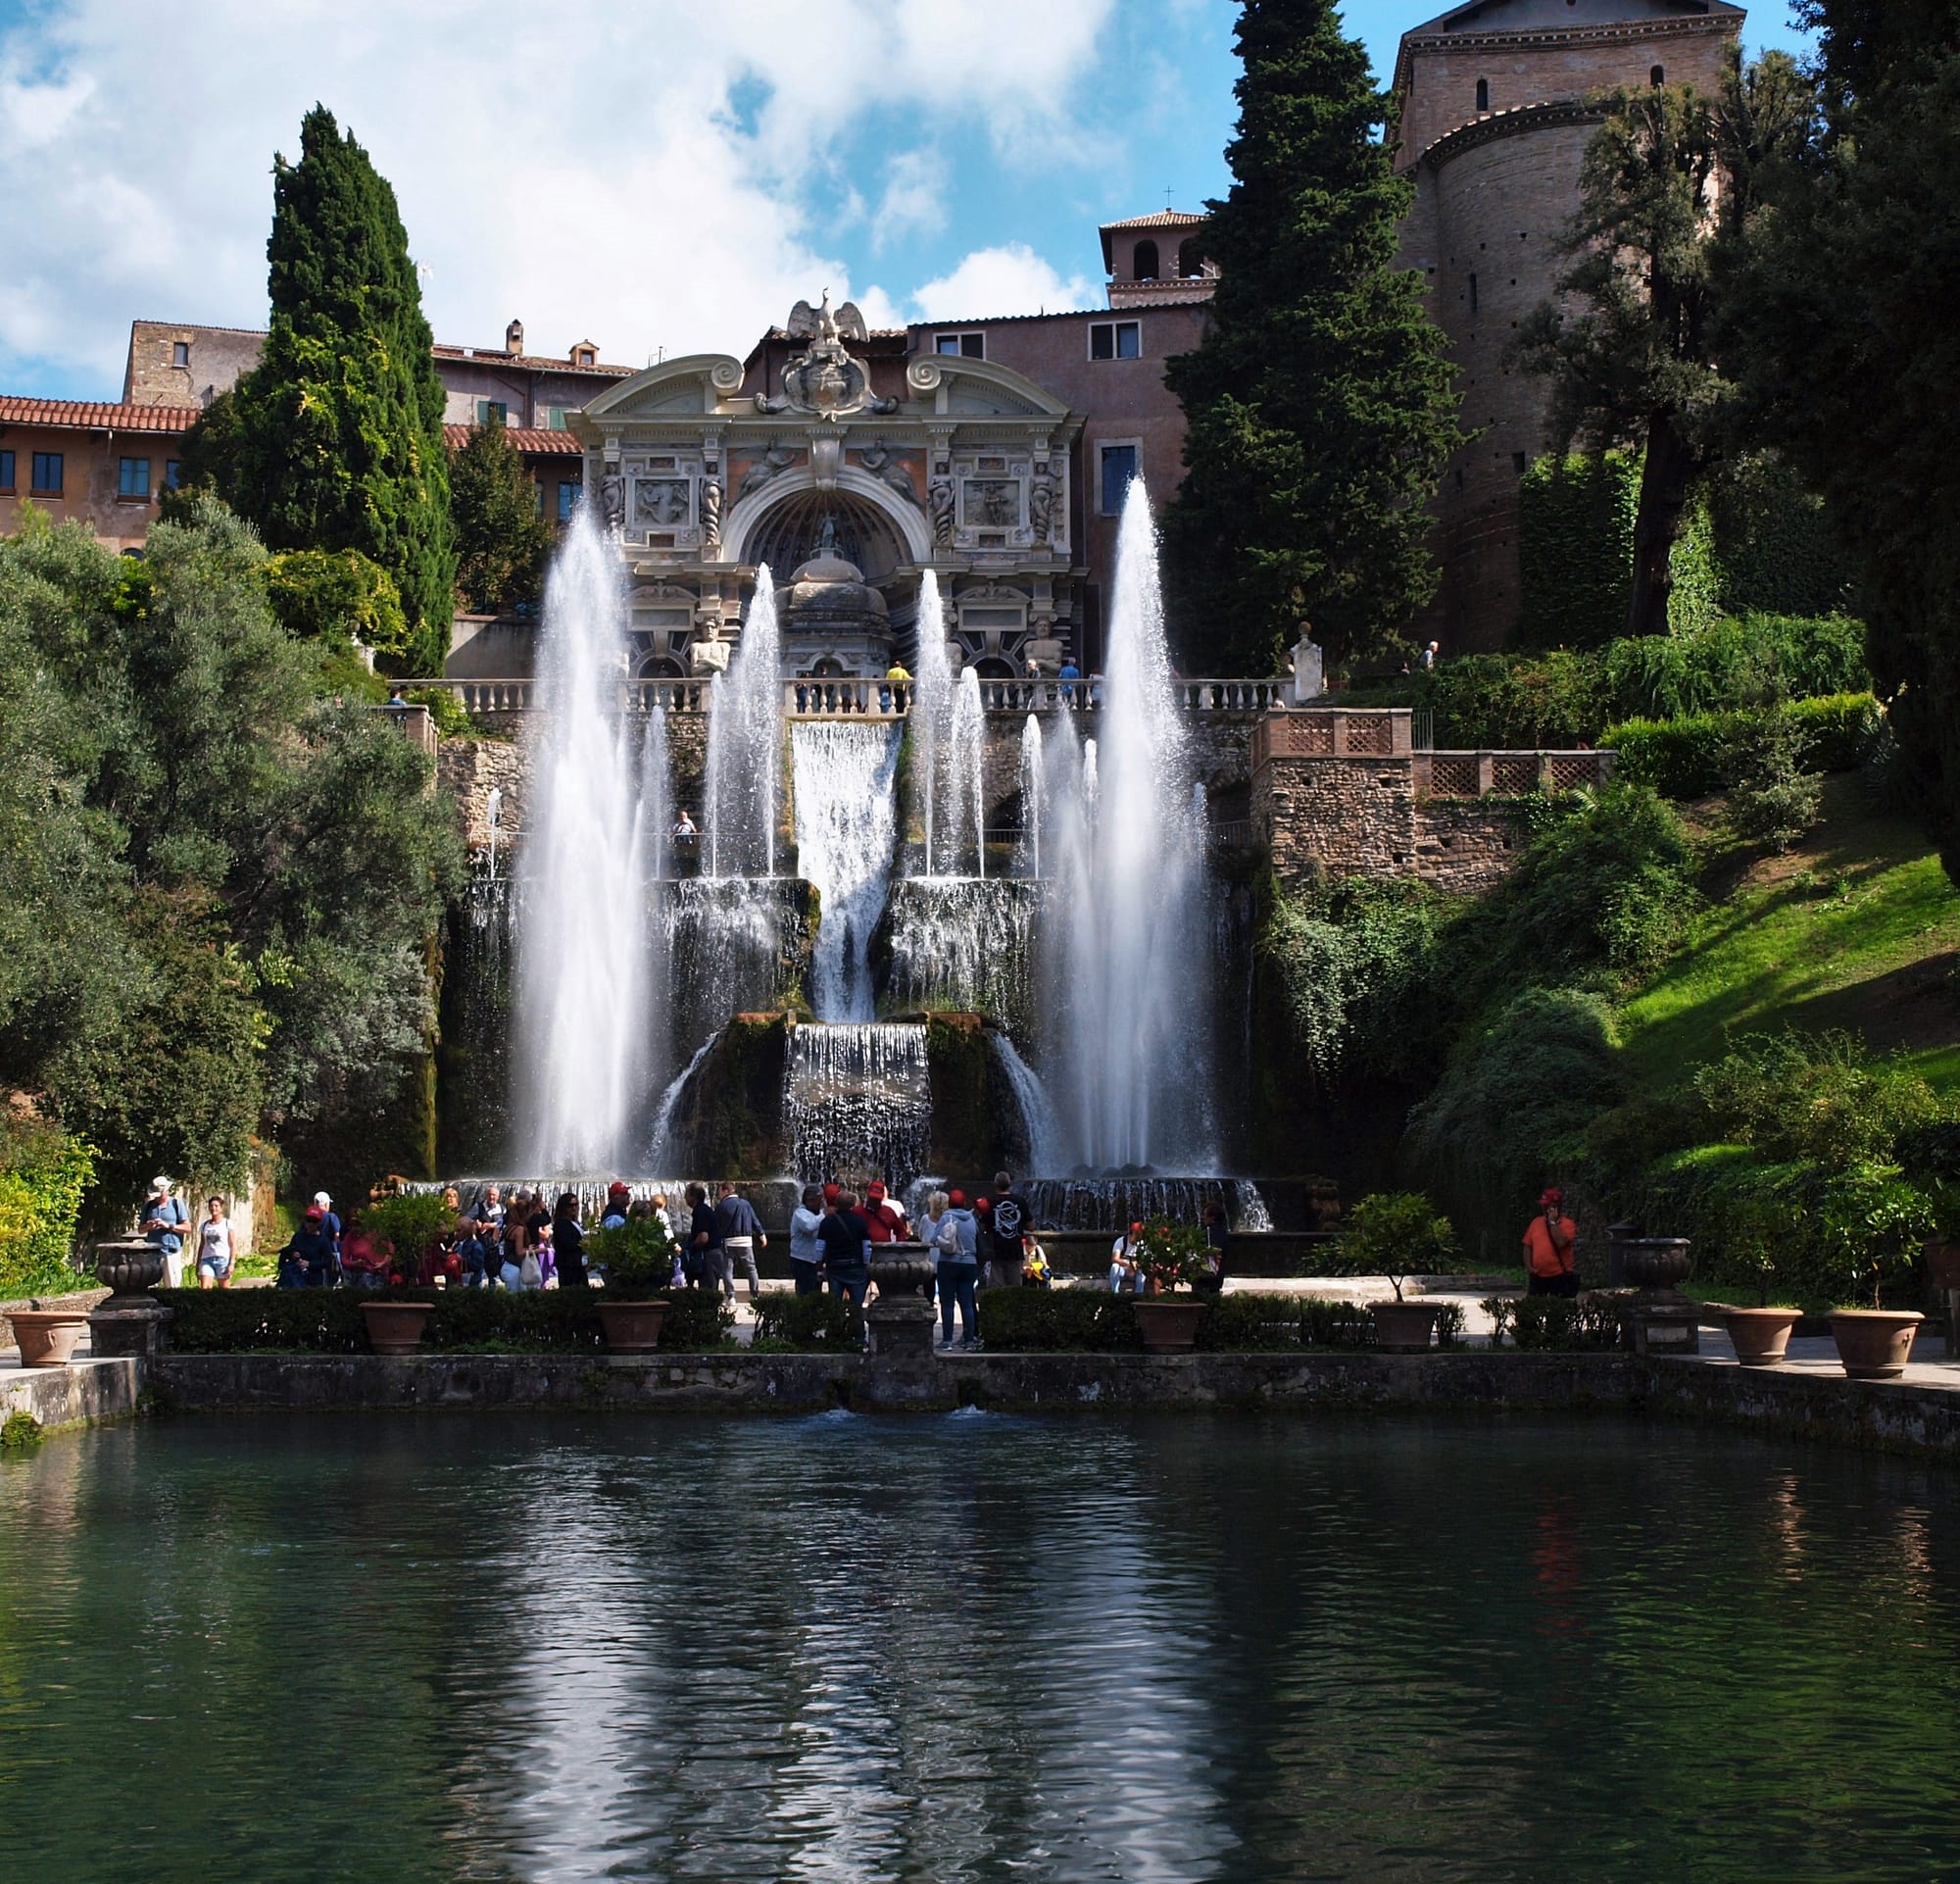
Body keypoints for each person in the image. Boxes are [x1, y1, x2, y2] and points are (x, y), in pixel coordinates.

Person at [933, 1188, 978, 1349]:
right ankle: (969, 1340)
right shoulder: (972, 1219)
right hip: (969, 1264)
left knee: (947, 1303)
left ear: (949, 1203)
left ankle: (947, 1341)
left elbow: (934, 1239)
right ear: (964, 1203)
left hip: (948, 1263)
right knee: (966, 1303)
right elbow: (977, 1239)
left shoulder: (946, 1217)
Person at [817, 1188, 871, 1309]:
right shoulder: (860, 1222)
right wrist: (867, 1264)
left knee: (834, 1306)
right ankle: (856, 1325)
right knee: (857, 1306)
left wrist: (819, 1267)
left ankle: (836, 1326)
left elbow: (820, 1247)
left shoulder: (827, 1221)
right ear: (853, 1204)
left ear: (836, 1203)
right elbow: (867, 1247)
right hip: (856, 1267)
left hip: (835, 1267)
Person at [715, 1180, 766, 1302]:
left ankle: (731, 1296)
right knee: (751, 1268)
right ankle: (755, 1295)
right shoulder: (746, 1204)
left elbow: (715, 1225)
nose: (719, 1194)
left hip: (728, 1241)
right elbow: (755, 1220)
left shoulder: (721, 1206)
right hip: (746, 1240)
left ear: (726, 1191)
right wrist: (762, 1234)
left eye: (720, 1191)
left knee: (727, 1270)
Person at [1524, 1189, 1580, 1297]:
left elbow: (1561, 1242)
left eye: (1547, 1206)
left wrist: (1552, 1223)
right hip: (1538, 1276)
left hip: (1559, 1276)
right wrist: (1529, 1267)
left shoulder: (1567, 1224)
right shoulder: (1536, 1222)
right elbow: (1527, 1245)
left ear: (1555, 1207)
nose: (1544, 1209)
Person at [140, 1176, 189, 1287]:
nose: (157, 1198)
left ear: (167, 1191)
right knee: (150, 1287)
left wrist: (168, 1226)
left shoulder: (176, 1204)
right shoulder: (148, 1206)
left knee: (172, 1286)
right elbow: (140, 1230)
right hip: (152, 1252)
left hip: (171, 1252)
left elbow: (187, 1228)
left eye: (160, 1194)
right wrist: (148, 1226)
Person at [986, 1170, 1030, 1291]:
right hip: (1015, 1249)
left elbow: (983, 1225)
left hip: (996, 1249)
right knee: (1015, 1288)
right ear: (1010, 1184)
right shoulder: (1020, 1201)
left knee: (996, 1287)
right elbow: (1031, 1225)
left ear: (995, 1184)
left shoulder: (989, 1202)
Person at [686, 1183, 726, 1296]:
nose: (685, 1198)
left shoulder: (700, 1212)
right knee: (709, 1290)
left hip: (709, 1256)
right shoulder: (705, 1210)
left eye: (687, 1195)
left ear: (693, 1196)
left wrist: (690, 1247)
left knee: (707, 1292)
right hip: (714, 1255)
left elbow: (703, 1238)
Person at [283, 1206, 336, 1288]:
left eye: (314, 1221)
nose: (311, 1224)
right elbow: (289, 1250)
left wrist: (310, 1264)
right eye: (308, 1220)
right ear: (304, 1221)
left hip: (315, 1279)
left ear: (319, 1223)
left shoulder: (323, 1240)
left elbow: (328, 1261)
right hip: (296, 1277)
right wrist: (293, 1254)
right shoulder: (298, 1236)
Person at [789, 1185, 826, 1296]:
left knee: (815, 1290)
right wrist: (825, 1214)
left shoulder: (819, 1213)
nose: (822, 1203)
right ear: (810, 1200)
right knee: (805, 1290)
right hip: (802, 1260)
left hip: (815, 1261)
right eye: (819, 1200)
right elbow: (809, 1226)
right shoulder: (800, 1213)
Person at [194, 1195, 235, 1290]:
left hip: (222, 1260)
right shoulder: (205, 1225)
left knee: (224, 1289)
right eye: (211, 1206)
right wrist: (198, 1263)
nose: (213, 1208)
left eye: (216, 1206)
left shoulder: (227, 1223)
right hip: (206, 1260)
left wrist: (232, 1263)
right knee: (205, 1288)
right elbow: (202, 1245)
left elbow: (232, 1244)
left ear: (221, 1208)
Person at [553, 1191, 588, 1288]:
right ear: (563, 1207)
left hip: (578, 1264)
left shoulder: (573, 1222)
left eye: (576, 1204)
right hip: (568, 1265)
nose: (574, 1208)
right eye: (570, 1205)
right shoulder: (561, 1223)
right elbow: (567, 1243)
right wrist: (583, 1244)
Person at [861, 1179, 907, 1244]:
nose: (874, 1201)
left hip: (884, 1250)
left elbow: (900, 1231)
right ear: (868, 1195)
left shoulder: (888, 1211)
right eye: (872, 1198)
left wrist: (898, 1248)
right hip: (861, 1251)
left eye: (877, 1199)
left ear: (882, 1197)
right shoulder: (858, 1211)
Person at [1198, 1202, 1229, 1297]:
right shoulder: (1223, 1231)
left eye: (1205, 1215)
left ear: (1212, 1217)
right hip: (1218, 1276)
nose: (1203, 1218)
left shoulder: (1209, 1233)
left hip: (1206, 1277)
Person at [313, 1190, 343, 1285]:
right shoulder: (331, 1217)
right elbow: (337, 1234)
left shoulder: (310, 1218)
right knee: (329, 1280)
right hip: (331, 1252)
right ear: (326, 1204)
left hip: (314, 1253)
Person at [1109, 1220, 1147, 1294]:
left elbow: (1145, 1261)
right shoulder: (1121, 1241)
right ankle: (1115, 1294)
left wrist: (1136, 1266)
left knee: (1142, 1272)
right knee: (1114, 1267)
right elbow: (1114, 1259)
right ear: (1132, 1232)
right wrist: (1128, 1264)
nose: (1140, 1236)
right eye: (1138, 1234)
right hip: (1122, 1271)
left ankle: (1138, 1296)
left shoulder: (1142, 1244)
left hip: (1135, 1272)